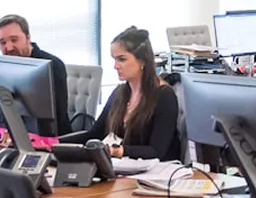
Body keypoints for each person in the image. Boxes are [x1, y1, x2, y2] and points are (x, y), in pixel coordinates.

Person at [77, 27, 183, 161]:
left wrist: (115, 151)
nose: (116, 66)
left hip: (156, 173)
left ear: (142, 61)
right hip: (125, 169)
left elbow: (156, 151)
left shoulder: (164, 96)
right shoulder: (120, 93)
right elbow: (93, 134)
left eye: (122, 59)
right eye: (114, 59)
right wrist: (53, 143)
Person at [0, 14, 71, 135]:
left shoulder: (52, 65)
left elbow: (57, 117)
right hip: (14, 136)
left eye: (14, 40)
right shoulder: (3, 68)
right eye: (2, 42)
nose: (9, 47)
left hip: (52, 141)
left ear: (28, 37)